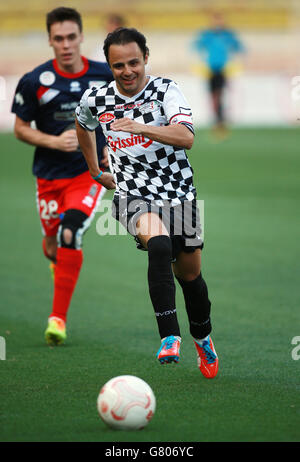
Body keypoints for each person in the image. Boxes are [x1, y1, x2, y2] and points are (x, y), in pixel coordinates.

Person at [75, 28, 218, 378]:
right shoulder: (97, 98)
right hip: (131, 193)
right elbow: (82, 123)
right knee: (158, 243)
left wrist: (139, 127)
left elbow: (186, 137)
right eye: (118, 65)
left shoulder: (165, 90)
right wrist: (95, 169)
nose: (127, 71)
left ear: (146, 58)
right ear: (109, 65)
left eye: (133, 62)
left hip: (178, 191)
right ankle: (169, 335)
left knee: (191, 275)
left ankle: (202, 337)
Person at [11, 7, 113, 346]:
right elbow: (20, 129)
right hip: (48, 175)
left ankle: (58, 319)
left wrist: (109, 147)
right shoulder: (34, 81)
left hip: (88, 173)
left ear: (82, 37)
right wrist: (53, 140)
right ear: (50, 41)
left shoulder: (105, 75)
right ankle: (59, 256)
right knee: (52, 244)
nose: (66, 44)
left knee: (71, 232)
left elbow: (120, 114)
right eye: (59, 39)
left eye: (72, 37)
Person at [192, 11, 244, 135]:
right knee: (213, 96)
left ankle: (220, 121)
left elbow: (238, 48)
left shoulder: (228, 35)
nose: (218, 23)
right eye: (216, 20)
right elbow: (197, 48)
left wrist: (234, 62)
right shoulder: (207, 35)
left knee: (219, 94)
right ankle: (218, 121)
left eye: (220, 20)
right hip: (210, 70)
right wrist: (201, 63)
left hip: (222, 69)